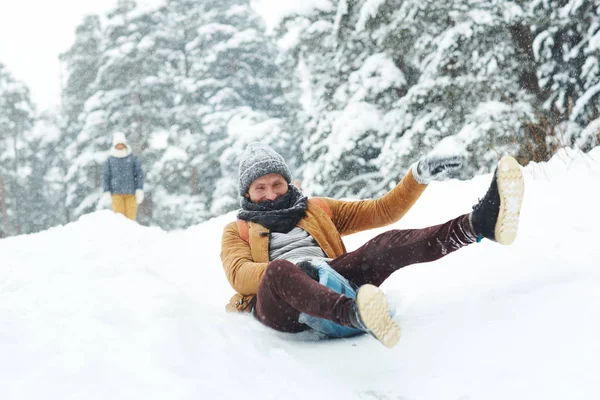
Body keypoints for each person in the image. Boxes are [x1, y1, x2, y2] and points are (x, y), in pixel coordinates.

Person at [220, 142, 524, 348]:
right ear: (247, 193)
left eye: (277, 184)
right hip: (279, 306)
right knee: (279, 271)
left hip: (328, 278)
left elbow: (382, 211)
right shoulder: (239, 231)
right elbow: (240, 274)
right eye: (260, 188)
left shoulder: (316, 209)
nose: (271, 194)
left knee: (383, 245)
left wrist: (417, 176)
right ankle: (356, 313)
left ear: (288, 183)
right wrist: (299, 270)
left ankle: (478, 225)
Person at [101, 132, 145, 221]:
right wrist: (106, 190)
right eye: (118, 144)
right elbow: (106, 176)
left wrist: (139, 189)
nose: (120, 146)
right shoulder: (110, 160)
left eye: (121, 144)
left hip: (131, 193)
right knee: (119, 219)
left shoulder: (132, 158)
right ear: (114, 145)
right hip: (116, 194)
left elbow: (138, 174)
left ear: (125, 144)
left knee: (131, 219)